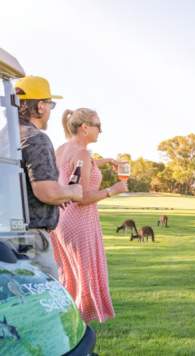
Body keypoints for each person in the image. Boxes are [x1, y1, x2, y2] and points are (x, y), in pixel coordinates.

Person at [50, 108, 127, 323]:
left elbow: (73, 172)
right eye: (98, 126)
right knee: (84, 275)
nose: (100, 131)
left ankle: (67, 320)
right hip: (79, 219)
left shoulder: (63, 148)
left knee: (70, 274)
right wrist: (112, 190)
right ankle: (80, 326)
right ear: (85, 127)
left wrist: (105, 161)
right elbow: (81, 196)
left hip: (61, 219)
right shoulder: (82, 153)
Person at [15, 76, 83, 279]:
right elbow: (46, 192)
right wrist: (72, 191)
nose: (50, 111)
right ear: (41, 106)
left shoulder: (6, 137)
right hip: (32, 241)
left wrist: (57, 198)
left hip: (10, 238)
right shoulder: (36, 138)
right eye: (50, 104)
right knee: (43, 305)